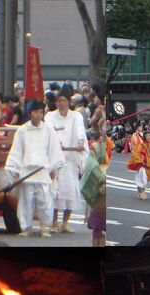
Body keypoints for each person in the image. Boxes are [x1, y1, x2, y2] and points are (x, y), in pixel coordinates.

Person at [5, 99, 65, 237]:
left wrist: (54, 167)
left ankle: (45, 227)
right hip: (27, 171)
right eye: (35, 112)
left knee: (45, 201)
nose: (38, 115)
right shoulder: (22, 130)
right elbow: (17, 151)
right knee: (26, 202)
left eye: (40, 112)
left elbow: (53, 149)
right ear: (30, 113)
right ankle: (26, 227)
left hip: (43, 171)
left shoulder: (48, 129)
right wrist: (14, 169)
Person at [45, 84, 89, 233]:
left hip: (70, 159)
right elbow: (48, 133)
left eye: (64, 100)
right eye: (59, 100)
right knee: (54, 191)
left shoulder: (76, 116)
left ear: (69, 101)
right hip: (54, 159)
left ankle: (65, 222)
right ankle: (54, 222)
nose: (61, 103)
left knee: (69, 190)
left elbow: (79, 131)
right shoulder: (50, 116)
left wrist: (80, 142)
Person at [126, 130, 150, 200]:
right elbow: (136, 154)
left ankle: (142, 191)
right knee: (142, 180)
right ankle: (141, 192)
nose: (148, 137)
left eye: (149, 136)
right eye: (146, 136)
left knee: (148, 180)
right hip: (142, 165)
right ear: (144, 137)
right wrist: (142, 162)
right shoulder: (141, 145)